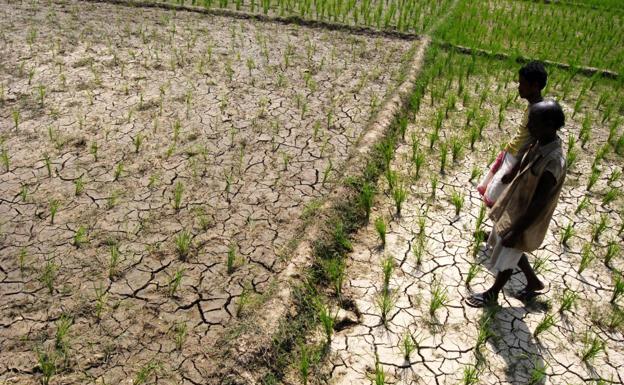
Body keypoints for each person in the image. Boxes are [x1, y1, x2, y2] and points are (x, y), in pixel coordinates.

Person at [466, 99, 566, 308]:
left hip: (525, 217)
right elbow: (526, 158)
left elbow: (538, 203)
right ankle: (533, 281)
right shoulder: (541, 141)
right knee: (508, 246)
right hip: (516, 206)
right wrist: (512, 171)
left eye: (534, 123)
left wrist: (517, 230)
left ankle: (493, 294)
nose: (529, 127)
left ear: (549, 125)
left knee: (508, 253)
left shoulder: (554, 161)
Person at [477, 61, 547, 207]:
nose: (519, 87)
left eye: (522, 83)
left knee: (497, 195)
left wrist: (515, 170)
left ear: (535, 85)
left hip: (516, 159)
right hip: (510, 152)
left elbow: (534, 145)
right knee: (492, 188)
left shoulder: (538, 113)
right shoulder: (533, 106)